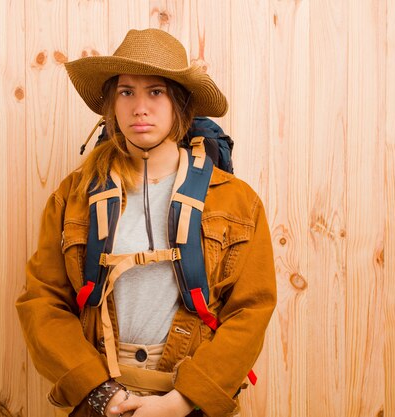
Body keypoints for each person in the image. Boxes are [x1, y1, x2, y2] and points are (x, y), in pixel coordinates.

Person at [16, 28, 277, 417]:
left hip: (190, 403)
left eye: (155, 92)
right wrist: (101, 393)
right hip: (100, 401)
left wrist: (182, 400)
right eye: (126, 92)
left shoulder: (236, 201)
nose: (140, 107)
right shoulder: (73, 196)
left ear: (180, 104)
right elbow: (43, 301)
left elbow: (251, 310)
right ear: (112, 105)